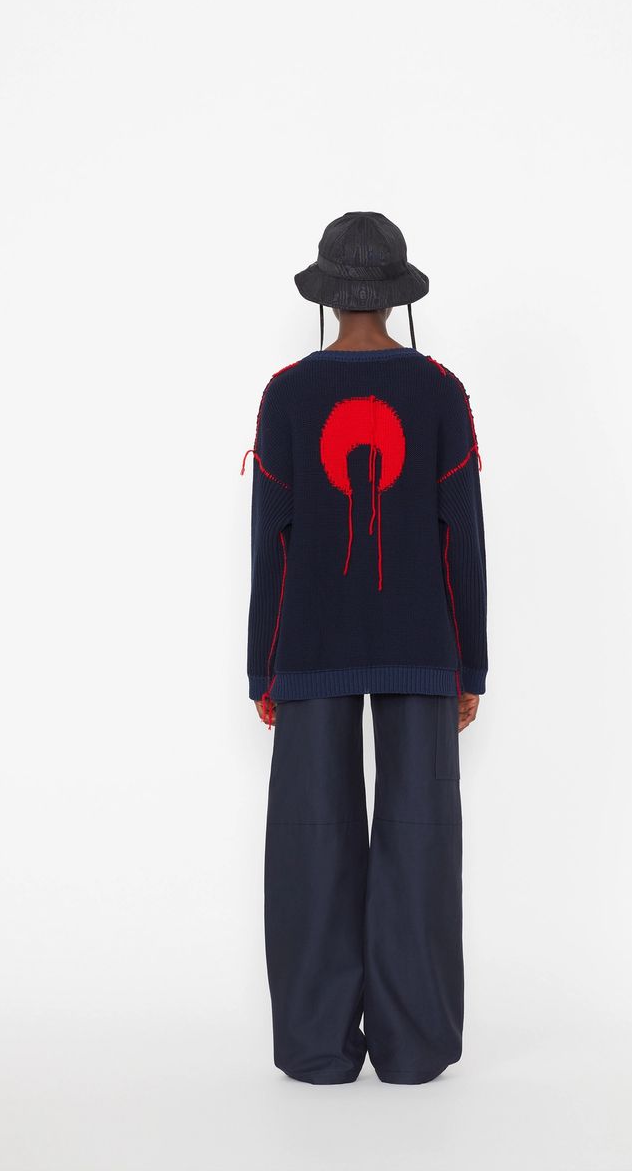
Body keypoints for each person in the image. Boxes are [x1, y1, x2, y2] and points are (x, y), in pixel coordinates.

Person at [241, 211, 488, 1085]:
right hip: (423, 644)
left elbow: (272, 540)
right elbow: (462, 538)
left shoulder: (286, 394)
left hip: (309, 646)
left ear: (328, 296)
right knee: (421, 837)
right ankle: (415, 1048)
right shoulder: (440, 390)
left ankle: (316, 1049)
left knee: (312, 838)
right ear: (395, 297)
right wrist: (469, 665)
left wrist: (263, 668)